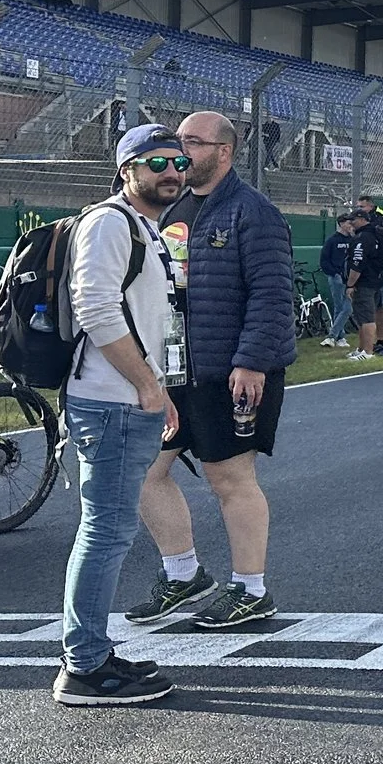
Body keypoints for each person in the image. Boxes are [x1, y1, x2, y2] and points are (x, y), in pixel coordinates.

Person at [127, 111, 299, 633]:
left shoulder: (254, 212)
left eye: (192, 143)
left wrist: (251, 361)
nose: (181, 152)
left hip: (232, 372)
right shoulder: (171, 208)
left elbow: (273, 295)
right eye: (177, 142)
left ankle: (252, 589)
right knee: (144, 471)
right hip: (174, 371)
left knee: (230, 478)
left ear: (223, 152)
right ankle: (183, 574)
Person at [55, 125, 192, 706]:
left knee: (108, 529)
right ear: (126, 168)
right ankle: (84, 665)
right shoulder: (111, 222)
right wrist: (144, 385)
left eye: (180, 161)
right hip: (110, 401)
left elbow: (143, 318)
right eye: (157, 161)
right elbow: (94, 307)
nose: (172, 171)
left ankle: (91, 653)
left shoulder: (145, 228)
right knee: (106, 530)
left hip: (129, 397)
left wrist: (158, 387)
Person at [344, 201, 383, 361]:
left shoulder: (363, 238)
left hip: (365, 282)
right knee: (362, 317)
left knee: (367, 317)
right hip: (375, 280)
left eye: (353, 220)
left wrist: (350, 284)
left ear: (362, 219)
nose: (351, 223)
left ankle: (367, 352)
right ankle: (361, 348)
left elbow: (357, 264)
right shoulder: (376, 234)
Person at [317, 214, 356, 345]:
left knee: (347, 307)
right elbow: (324, 260)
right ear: (341, 224)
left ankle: (333, 335)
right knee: (339, 307)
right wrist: (334, 273)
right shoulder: (332, 240)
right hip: (336, 277)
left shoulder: (352, 240)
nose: (351, 225)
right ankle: (340, 337)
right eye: (348, 223)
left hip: (350, 277)